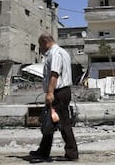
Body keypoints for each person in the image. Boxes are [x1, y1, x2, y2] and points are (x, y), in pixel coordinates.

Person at [29, 33, 78, 161]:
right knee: (48, 121)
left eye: (41, 45)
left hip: (58, 92)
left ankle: (72, 153)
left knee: (63, 122)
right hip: (61, 91)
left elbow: (54, 74)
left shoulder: (54, 54)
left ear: (46, 42)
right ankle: (43, 151)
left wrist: (50, 93)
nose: (41, 49)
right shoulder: (62, 52)